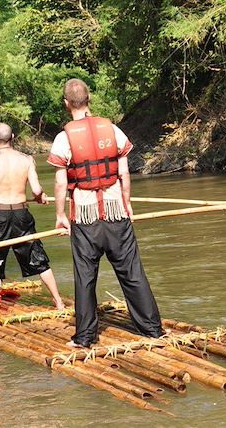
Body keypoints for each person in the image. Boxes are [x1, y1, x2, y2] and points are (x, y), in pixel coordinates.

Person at [48, 78, 164, 347]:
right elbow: (123, 172)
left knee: (85, 278)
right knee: (132, 272)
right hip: (115, 212)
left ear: (67, 104)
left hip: (85, 217)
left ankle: (85, 337)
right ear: (89, 100)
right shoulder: (112, 130)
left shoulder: (63, 138)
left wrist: (60, 215)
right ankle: (152, 329)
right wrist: (127, 202)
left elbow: (60, 182)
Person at [0, 123, 64, 319]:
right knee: (38, 256)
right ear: (13, 137)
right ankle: (58, 302)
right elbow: (37, 190)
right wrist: (40, 197)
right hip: (21, 214)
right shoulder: (27, 160)